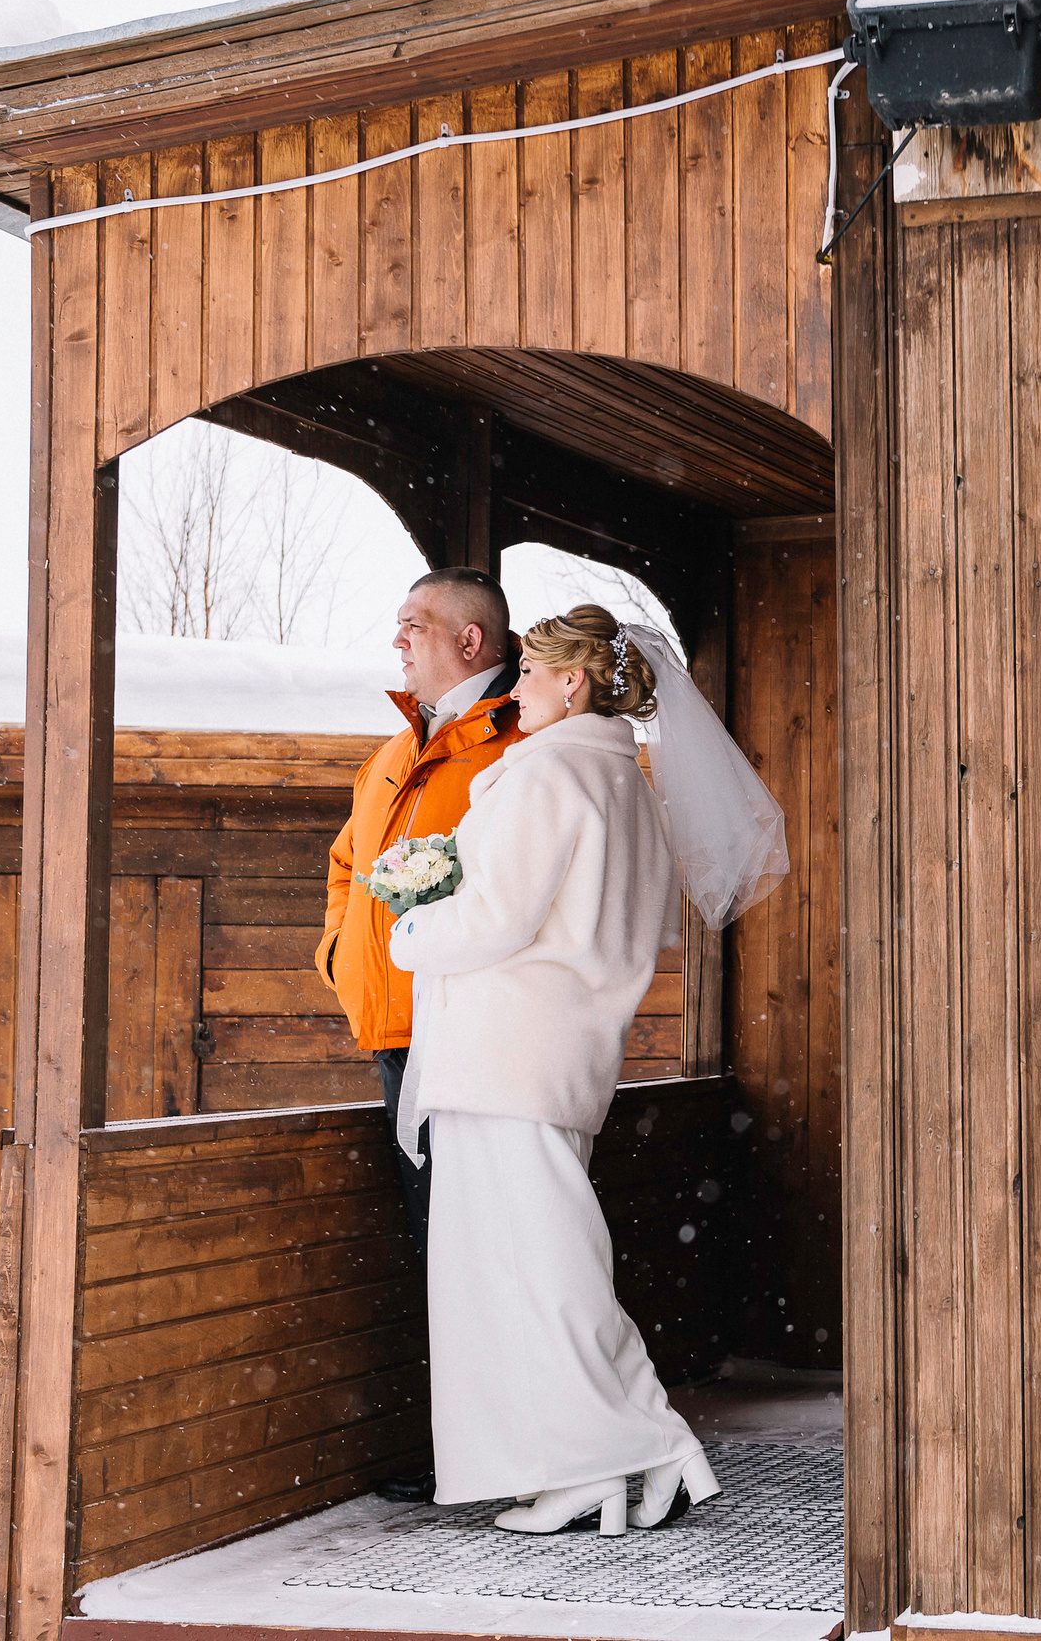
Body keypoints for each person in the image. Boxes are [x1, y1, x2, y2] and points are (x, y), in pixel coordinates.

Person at [387, 603, 788, 1535]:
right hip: (562, 1051)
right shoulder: (624, 785)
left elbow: (494, 920)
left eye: (527, 673)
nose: (515, 690)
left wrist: (409, 927)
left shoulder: (545, 779)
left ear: (573, 684)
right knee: (544, 1263)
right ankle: (598, 1458)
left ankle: (627, 1447)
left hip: (504, 1052)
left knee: (534, 1270)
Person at [317, 566, 529, 1505]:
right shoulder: (396, 749)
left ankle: (501, 1454)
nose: (398, 640)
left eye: (416, 624)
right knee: (432, 1239)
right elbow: (346, 864)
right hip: (396, 1034)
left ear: (471, 641)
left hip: (472, 1036)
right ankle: (468, 1451)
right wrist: (339, 955)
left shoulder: (515, 743)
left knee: (479, 1241)